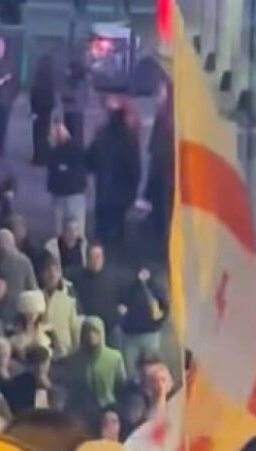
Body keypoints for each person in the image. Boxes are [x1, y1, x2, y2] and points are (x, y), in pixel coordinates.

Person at [88, 97, 142, 248]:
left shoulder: (102, 135)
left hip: (103, 188)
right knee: (119, 224)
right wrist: (134, 187)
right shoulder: (130, 139)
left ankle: (99, 247)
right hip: (122, 190)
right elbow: (135, 167)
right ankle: (117, 247)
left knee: (101, 224)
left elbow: (91, 158)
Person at [58, 316, 126, 423]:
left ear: (101, 334)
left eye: (95, 332)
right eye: (87, 332)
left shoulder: (115, 358)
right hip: (80, 412)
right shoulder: (74, 360)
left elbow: (121, 385)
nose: (91, 335)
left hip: (107, 410)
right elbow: (69, 387)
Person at [68, 242, 125, 347]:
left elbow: (123, 296)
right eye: (93, 257)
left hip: (111, 329)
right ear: (87, 259)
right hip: (89, 331)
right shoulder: (77, 277)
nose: (96, 260)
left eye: (98, 257)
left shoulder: (112, 276)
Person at [119, 267, 168, 375]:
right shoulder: (128, 288)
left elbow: (165, 307)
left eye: (144, 271)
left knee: (152, 369)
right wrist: (123, 323)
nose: (142, 274)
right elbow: (120, 307)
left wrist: (159, 321)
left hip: (151, 335)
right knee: (130, 370)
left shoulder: (155, 289)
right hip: (131, 336)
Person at [46, 121, 89, 236]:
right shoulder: (54, 152)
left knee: (72, 228)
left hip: (73, 195)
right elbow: (55, 170)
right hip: (62, 194)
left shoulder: (76, 151)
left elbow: (73, 172)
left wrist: (62, 169)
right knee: (64, 229)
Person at [145, 80, 174, 248]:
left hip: (167, 172)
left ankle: (165, 241)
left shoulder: (166, 118)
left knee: (166, 209)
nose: (157, 97)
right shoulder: (163, 117)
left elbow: (155, 148)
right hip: (165, 173)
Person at [39, 255, 82, 359]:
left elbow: (76, 327)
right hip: (42, 354)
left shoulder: (69, 297)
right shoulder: (37, 296)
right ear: (42, 274)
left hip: (66, 353)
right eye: (48, 271)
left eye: (56, 271)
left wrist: (77, 352)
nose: (52, 275)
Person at [0, 229, 37, 303]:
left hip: (18, 307)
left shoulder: (23, 262)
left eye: (6, 243)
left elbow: (33, 290)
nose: (3, 247)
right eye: (0, 243)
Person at [9, 291, 52, 359]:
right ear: (23, 313)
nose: (32, 316)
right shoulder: (12, 330)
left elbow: (54, 351)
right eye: (29, 313)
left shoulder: (48, 330)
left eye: (35, 313)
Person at [30, 56, 57, 165]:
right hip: (46, 108)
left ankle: (37, 156)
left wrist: (33, 110)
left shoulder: (37, 80)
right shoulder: (50, 80)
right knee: (44, 131)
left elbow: (33, 95)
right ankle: (43, 156)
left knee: (37, 132)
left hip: (38, 108)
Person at [61, 59, 90, 147]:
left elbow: (76, 96)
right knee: (69, 133)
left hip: (76, 111)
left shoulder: (80, 82)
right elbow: (64, 94)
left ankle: (76, 150)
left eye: (69, 69)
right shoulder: (69, 80)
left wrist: (67, 97)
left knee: (75, 134)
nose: (67, 71)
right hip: (69, 110)